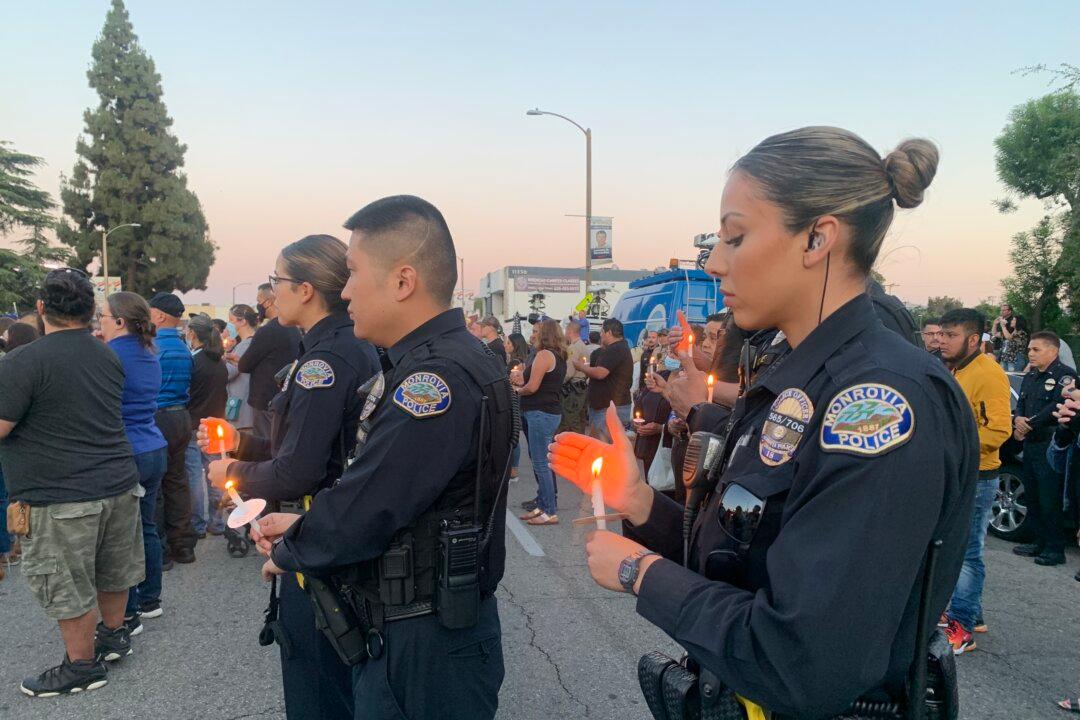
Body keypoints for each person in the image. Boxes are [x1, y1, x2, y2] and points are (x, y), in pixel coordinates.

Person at [549, 127, 978, 718]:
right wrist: (641, 501)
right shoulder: (794, 378)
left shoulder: (877, 402)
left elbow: (803, 658)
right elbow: (742, 560)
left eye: (735, 236)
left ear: (817, 238)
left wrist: (640, 573)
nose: (716, 262)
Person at [253, 195, 513, 720]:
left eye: (352, 272)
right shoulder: (452, 359)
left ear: (402, 281)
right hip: (431, 631)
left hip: (423, 640)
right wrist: (302, 522)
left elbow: (367, 509)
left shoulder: (433, 381)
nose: (344, 290)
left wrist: (291, 547)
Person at [200, 235, 380, 720]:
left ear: (305, 289)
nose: (268, 293)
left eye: (276, 280)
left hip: (319, 539)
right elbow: (306, 446)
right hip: (337, 532)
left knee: (318, 689)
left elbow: (299, 470)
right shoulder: (345, 346)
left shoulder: (324, 362)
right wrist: (241, 444)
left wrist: (231, 471)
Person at [0, 269, 144, 696]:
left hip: (60, 494)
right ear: (91, 310)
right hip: (117, 481)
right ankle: (114, 636)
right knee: (111, 569)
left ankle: (81, 667)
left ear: (42, 308)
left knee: (66, 580)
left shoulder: (23, 361)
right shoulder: (107, 354)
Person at [936, 308, 1012, 654]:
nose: (941, 341)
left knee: (967, 553)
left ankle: (961, 628)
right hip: (959, 472)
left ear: (972, 339)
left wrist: (950, 441)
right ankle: (971, 613)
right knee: (955, 548)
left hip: (979, 476)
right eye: (940, 334)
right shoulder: (956, 369)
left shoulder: (988, 373)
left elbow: (999, 430)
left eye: (950, 336)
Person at [100, 292, 170, 638]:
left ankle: (127, 614)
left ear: (118, 321)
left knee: (121, 536)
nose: (99, 323)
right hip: (154, 445)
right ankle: (150, 599)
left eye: (103, 317)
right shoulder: (149, 352)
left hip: (126, 450)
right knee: (146, 527)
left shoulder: (109, 355)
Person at [1012, 330, 1076, 567]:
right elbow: (1021, 402)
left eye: (1035, 349)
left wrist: (1029, 424)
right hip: (1030, 443)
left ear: (1053, 351)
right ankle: (1038, 541)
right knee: (1034, 496)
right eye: (1029, 349)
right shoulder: (1031, 376)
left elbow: (1057, 405)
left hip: (1049, 444)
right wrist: (1018, 420)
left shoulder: (1065, 376)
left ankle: (1054, 548)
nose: (1030, 353)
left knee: (1050, 498)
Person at [148, 292, 196, 573]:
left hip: (158, 417)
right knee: (177, 480)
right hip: (181, 417)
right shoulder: (183, 347)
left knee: (156, 484)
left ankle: (162, 549)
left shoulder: (153, 347)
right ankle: (184, 545)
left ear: (160, 315)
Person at [514, 319, 567, 526]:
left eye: (537, 331)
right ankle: (543, 506)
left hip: (540, 413)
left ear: (545, 334)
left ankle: (550, 511)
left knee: (541, 464)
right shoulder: (557, 355)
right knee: (542, 462)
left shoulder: (544, 355)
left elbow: (533, 387)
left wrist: (517, 390)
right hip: (545, 412)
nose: (533, 335)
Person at [185, 315, 228, 539]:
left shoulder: (193, 361)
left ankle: (198, 525)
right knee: (216, 477)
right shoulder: (219, 362)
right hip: (215, 423)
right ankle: (217, 522)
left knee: (194, 476)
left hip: (193, 424)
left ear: (193, 333)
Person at [240, 283, 301, 438]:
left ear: (268, 301)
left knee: (265, 446)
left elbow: (245, 364)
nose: (258, 305)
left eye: (259, 300)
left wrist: (238, 360)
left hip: (264, 400)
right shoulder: (294, 328)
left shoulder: (267, 331)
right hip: (284, 397)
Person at [574, 318, 634, 440]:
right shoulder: (618, 348)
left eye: (602, 332)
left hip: (608, 409)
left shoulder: (616, 349)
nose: (601, 335)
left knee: (603, 450)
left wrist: (580, 367)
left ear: (609, 332)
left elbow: (600, 373)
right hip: (607, 408)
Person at [224, 304, 259, 431]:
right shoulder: (249, 343)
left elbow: (229, 372)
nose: (229, 324)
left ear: (243, 321)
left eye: (232, 320)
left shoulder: (245, 345)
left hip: (242, 410)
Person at [993, 304, 1028, 372]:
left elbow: (1009, 338)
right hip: (1007, 358)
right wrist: (995, 324)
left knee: (1013, 380)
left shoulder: (1021, 333)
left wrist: (1003, 326)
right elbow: (995, 334)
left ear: (1018, 322)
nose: (1011, 321)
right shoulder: (1013, 332)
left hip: (1016, 359)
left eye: (1014, 320)